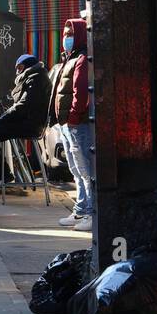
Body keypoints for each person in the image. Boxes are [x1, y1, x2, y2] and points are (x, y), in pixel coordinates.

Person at [49, 19, 93, 231]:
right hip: (68, 124)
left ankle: (91, 213)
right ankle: (81, 210)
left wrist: (74, 117)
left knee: (85, 170)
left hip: (77, 125)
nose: (66, 37)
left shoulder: (82, 59)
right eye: (65, 33)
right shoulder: (71, 58)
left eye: (70, 33)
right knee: (76, 170)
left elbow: (81, 92)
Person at [0, 54, 51, 187]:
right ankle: (2, 174)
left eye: (19, 67)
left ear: (27, 66)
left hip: (31, 125)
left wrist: (2, 119)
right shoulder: (34, 77)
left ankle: (1, 175)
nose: (17, 71)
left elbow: (23, 105)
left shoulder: (36, 78)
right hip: (28, 121)